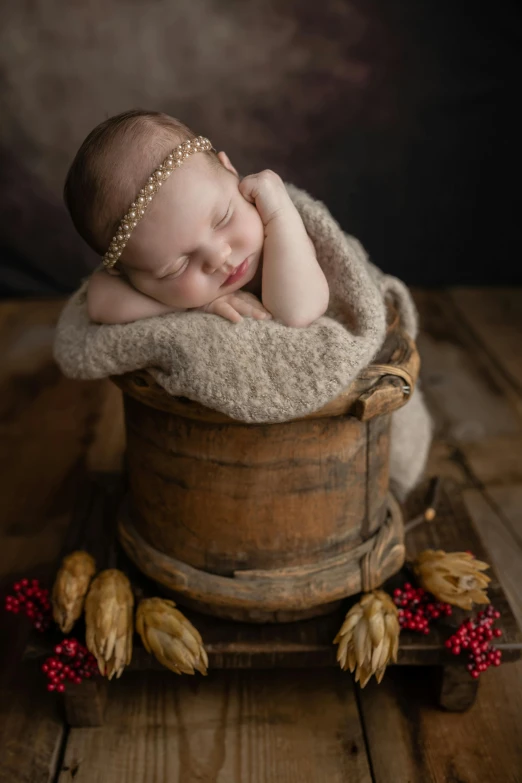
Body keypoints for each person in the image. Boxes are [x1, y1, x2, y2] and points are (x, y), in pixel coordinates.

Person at [64, 110, 329, 328]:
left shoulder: (280, 224)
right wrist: (199, 305)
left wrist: (280, 213)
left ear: (230, 170)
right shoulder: (129, 278)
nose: (218, 257)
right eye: (176, 267)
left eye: (224, 219)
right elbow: (98, 302)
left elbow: (297, 312)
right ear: (124, 273)